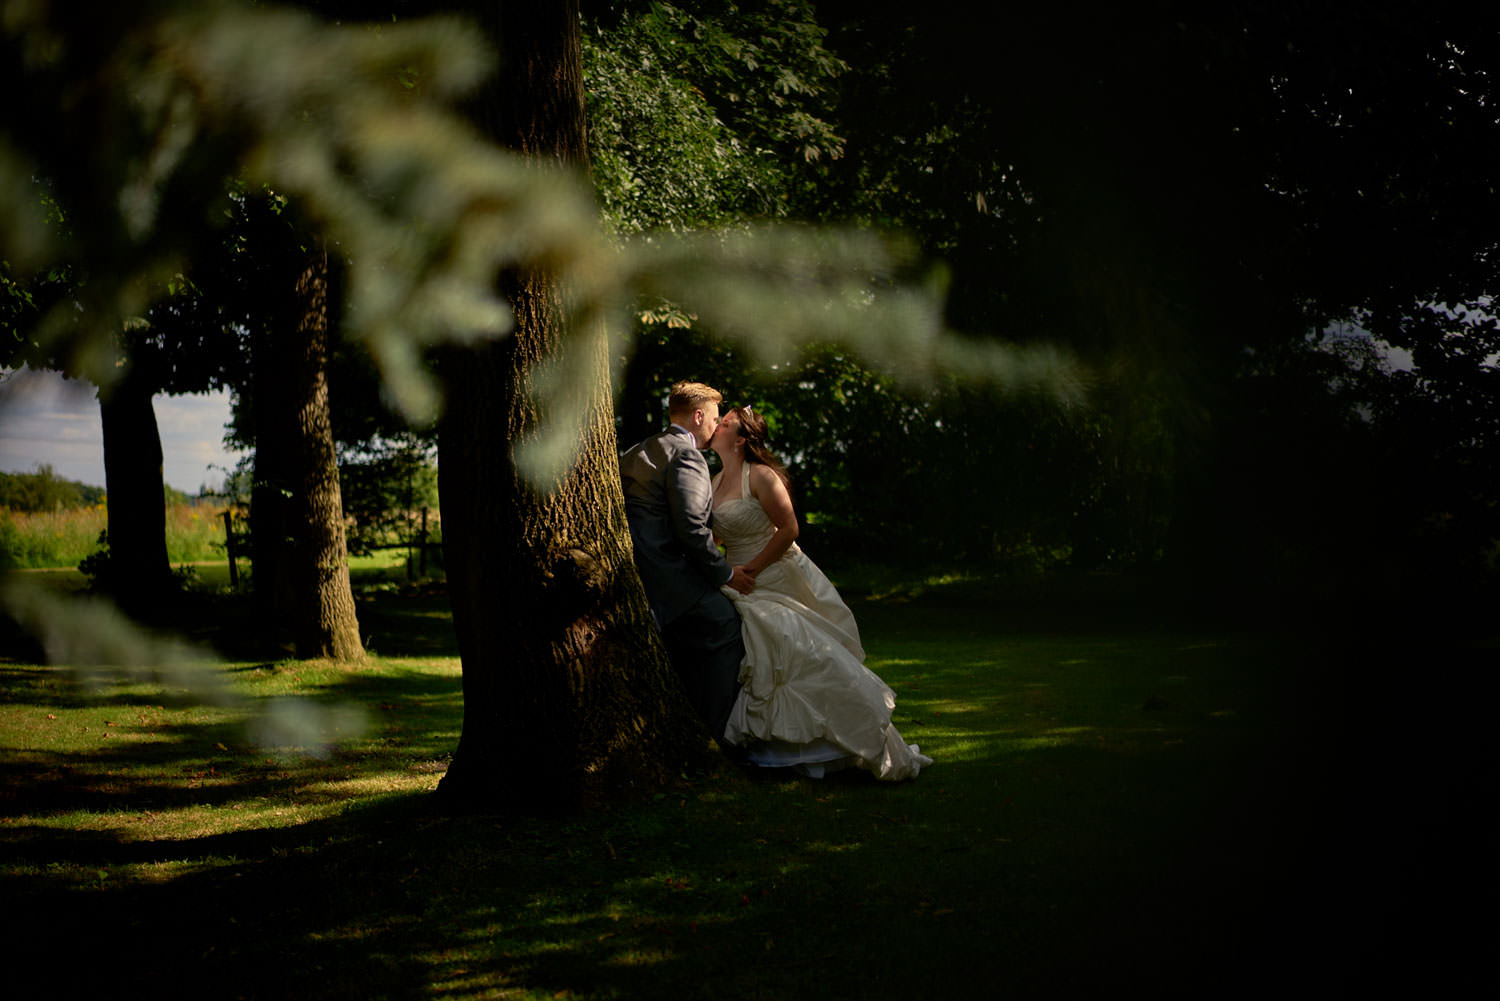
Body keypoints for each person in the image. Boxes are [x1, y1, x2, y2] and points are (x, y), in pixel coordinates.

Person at [709, 405, 931, 780]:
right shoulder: (713, 481)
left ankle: (846, 741)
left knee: (798, 647)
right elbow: (717, 537)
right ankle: (780, 748)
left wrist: (752, 571)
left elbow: (789, 528)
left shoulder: (762, 476)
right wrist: (724, 570)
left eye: (725, 422)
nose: (716, 426)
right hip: (739, 578)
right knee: (765, 656)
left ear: (741, 439)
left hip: (775, 574)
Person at [620, 382, 756, 743]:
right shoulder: (688, 455)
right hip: (669, 578)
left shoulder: (640, 449)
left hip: (636, 572)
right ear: (698, 416)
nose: (716, 426)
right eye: (713, 418)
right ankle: (714, 736)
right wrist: (726, 574)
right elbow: (693, 530)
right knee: (726, 624)